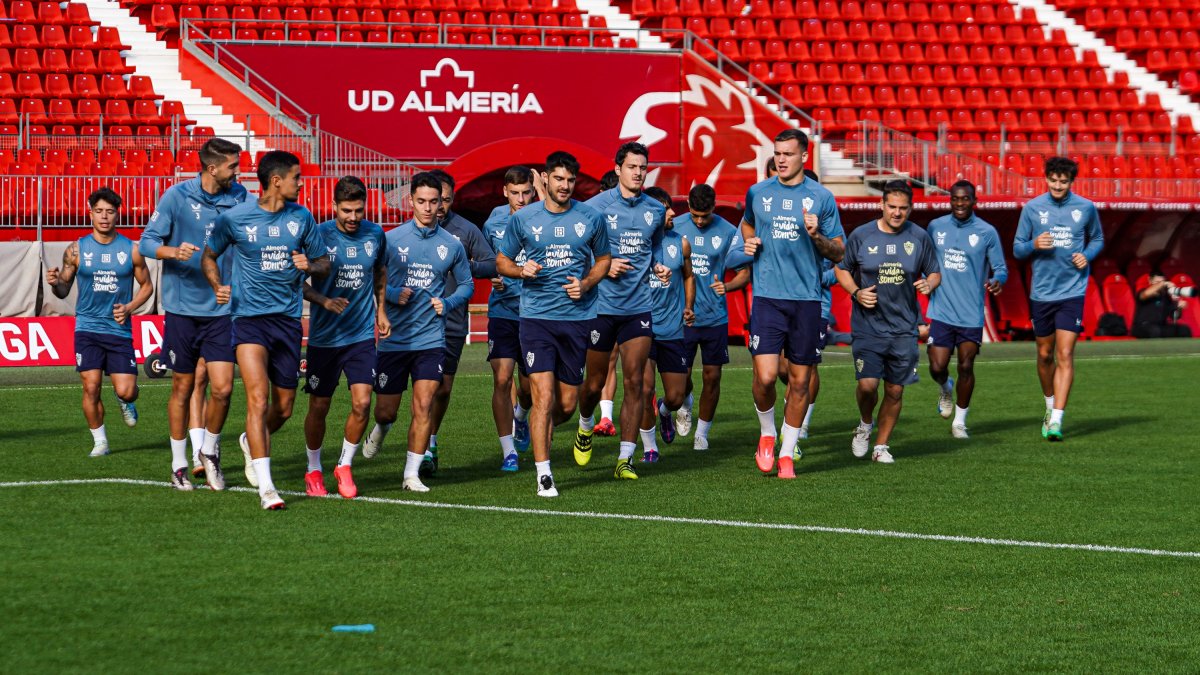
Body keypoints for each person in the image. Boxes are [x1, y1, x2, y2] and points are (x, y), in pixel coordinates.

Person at [203, 150, 330, 510]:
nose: (301, 183)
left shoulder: (302, 218)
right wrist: (217, 285)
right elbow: (208, 256)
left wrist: (311, 264)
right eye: (296, 177)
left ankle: (248, 440)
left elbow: (322, 263)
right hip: (248, 321)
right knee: (257, 399)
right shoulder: (236, 219)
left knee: (284, 408)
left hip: (288, 322)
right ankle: (268, 489)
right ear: (277, 181)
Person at [495, 151, 611, 497]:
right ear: (544, 179)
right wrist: (520, 270)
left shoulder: (591, 218)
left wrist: (587, 283)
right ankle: (544, 475)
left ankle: (534, 425)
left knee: (565, 405)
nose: (565, 186)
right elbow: (502, 261)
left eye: (571, 180)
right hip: (536, 320)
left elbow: (604, 259)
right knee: (543, 398)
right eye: (559, 179)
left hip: (577, 320)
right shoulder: (524, 219)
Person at [139, 137, 246, 491]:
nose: (238, 171)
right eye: (233, 165)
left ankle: (210, 453)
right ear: (212, 168)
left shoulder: (240, 196)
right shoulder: (176, 197)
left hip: (222, 308)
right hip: (183, 310)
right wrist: (172, 251)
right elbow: (146, 242)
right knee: (183, 387)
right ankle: (179, 464)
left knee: (223, 387)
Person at [740, 129, 844, 479]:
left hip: (807, 301)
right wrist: (750, 244)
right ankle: (767, 432)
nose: (781, 159)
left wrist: (817, 237)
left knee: (800, 382)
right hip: (768, 297)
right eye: (777, 153)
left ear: (803, 156)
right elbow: (747, 226)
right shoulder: (758, 192)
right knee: (766, 376)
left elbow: (839, 250)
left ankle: (786, 452)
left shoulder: (821, 197)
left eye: (788, 153)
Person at [361, 172, 473, 493]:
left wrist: (448, 302)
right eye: (421, 201)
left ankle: (411, 475)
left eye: (433, 202)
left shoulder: (451, 245)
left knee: (424, 405)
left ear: (442, 203)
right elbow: (372, 277)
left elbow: (466, 284)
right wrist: (393, 295)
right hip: (395, 339)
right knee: (386, 411)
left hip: (430, 339)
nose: (427, 207)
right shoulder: (391, 239)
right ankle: (381, 429)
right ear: (410, 201)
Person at [574, 142, 670, 482]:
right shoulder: (593, 208)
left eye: (643, 167)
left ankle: (625, 458)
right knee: (593, 383)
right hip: (601, 307)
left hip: (638, 307)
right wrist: (604, 264)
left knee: (636, 382)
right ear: (617, 169)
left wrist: (658, 265)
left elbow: (654, 244)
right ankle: (585, 425)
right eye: (632, 166)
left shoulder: (654, 211)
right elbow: (576, 249)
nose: (638, 172)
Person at [835, 181, 941, 463]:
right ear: (881, 205)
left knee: (894, 389)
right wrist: (856, 293)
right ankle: (865, 423)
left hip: (904, 328)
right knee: (868, 386)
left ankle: (881, 446)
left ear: (910, 208)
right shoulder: (861, 235)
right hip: (868, 325)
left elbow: (934, 272)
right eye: (891, 207)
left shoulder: (919, 237)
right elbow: (841, 269)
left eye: (903, 208)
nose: (896, 213)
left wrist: (929, 285)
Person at [300, 176, 389, 499]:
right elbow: (298, 281)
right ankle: (313, 469)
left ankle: (344, 465)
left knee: (363, 402)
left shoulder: (375, 234)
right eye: (347, 210)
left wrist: (381, 311)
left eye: (359, 211)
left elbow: (380, 272)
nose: (353, 217)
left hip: (361, 334)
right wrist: (324, 301)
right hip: (325, 337)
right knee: (319, 406)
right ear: (335, 206)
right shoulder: (319, 235)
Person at [47, 188, 153, 460]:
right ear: (90, 212)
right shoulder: (76, 249)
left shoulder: (132, 249)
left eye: (110, 211)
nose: (104, 217)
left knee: (127, 390)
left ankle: (124, 401)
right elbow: (63, 289)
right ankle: (100, 441)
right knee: (90, 386)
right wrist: (55, 282)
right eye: (99, 211)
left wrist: (129, 307)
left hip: (119, 330)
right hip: (88, 328)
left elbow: (147, 287)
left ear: (117, 214)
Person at [1013, 156, 1104, 441]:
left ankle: (1057, 421)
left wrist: (1086, 256)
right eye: (1053, 180)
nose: (1058, 186)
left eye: (1063, 181)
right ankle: (1049, 406)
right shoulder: (1032, 208)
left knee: (1065, 354)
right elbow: (1017, 249)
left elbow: (1098, 239)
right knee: (1044, 355)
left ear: (1071, 182)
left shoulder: (1086, 207)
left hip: (1073, 291)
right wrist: (1033, 244)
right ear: (1046, 178)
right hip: (1042, 292)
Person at [423, 170, 497, 476]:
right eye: (435, 199)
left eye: (446, 200)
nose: (439, 206)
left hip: (452, 322)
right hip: (415, 324)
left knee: (441, 390)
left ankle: (429, 444)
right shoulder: (410, 232)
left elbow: (492, 262)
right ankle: (389, 428)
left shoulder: (465, 230)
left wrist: (469, 264)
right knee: (413, 391)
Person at [671, 183, 752, 450]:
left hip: (715, 317)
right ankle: (685, 400)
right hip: (682, 317)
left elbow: (745, 271)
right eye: (695, 215)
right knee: (680, 380)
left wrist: (727, 287)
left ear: (713, 208)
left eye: (704, 215)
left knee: (713, 376)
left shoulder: (729, 232)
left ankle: (702, 434)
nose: (699, 220)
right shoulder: (674, 226)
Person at [925, 180, 1008, 438]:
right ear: (950, 200)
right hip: (941, 310)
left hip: (971, 313)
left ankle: (959, 422)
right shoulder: (936, 226)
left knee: (966, 366)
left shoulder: (987, 232)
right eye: (955, 199)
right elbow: (926, 260)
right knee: (937, 366)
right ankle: (945, 388)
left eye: (965, 199)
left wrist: (997, 281)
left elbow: (1001, 269)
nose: (959, 204)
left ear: (974, 201)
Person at [483, 166, 538, 471]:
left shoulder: (545, 217)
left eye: (526, 192)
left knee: (529, 389)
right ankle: (509, 453)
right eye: (514, 193)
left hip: (536, 313)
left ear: (533, 190)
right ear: (505, 191)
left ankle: (520, 416)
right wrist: (493, 274)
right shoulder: (494, 221)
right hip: (503, 310)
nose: (520, 199)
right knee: (502, 379)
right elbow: (487, 260)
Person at [638, 186, 694, 462]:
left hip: (672, 330)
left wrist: (688, 305)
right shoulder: (636, 243)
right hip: (642, 328)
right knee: (644, 389)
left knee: (675, 396)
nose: (673, 213)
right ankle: (650, 446)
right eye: (666, 209)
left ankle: (664, 412)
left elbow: (689, 275)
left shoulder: (680, 243)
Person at [1132, 271, 1193, 338]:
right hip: (1142, 326)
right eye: (1157, 282)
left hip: (1160, 326)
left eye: (1162, 281)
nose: (1160, 285)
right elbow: (1145, 295)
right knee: (1154, 331)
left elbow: (1175, 315)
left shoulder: (1165, 296)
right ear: (1150, 281)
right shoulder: (1143, 291)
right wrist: (1163, 283)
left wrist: (1179, 307)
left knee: (1184, 330)